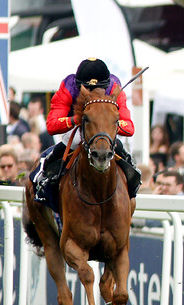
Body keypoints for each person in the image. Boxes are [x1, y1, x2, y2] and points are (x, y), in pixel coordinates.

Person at [31, 58, 141, 206]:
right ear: (79, 85)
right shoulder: (68, 86)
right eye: (87, 89)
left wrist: (106, 123)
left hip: (104, 132)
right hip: (78, 129)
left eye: (98, 89)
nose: (92, 93)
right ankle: (43, 182)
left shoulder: (115, 87)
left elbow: (129, 127)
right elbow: (51, 125)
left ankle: (132, 189)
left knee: (123, 154)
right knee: (58, 152)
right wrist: (76, 120)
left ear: (106, 86)